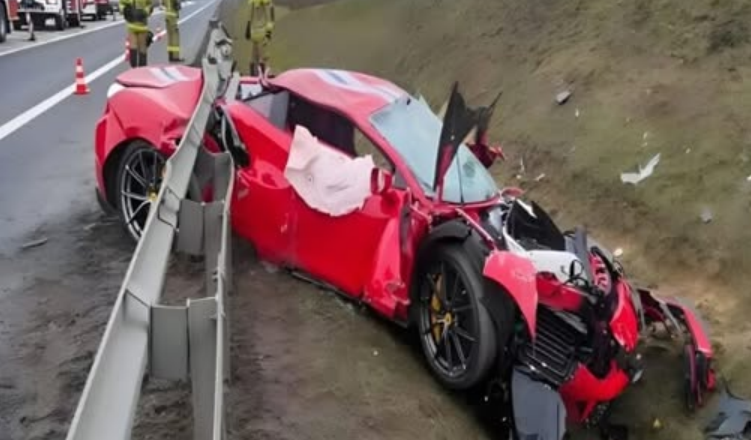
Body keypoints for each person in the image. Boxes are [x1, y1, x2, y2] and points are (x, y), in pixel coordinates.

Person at [245, 0, 275, 76]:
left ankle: (254, 75)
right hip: (261, 31)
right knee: (263, 56)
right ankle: (264, 75)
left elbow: (249, 15)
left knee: (254, 56)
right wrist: (269, 32)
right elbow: (271, 13)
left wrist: (248, 29)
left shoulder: (253, 2)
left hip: (255, 31)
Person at [121, 0, 153, 67]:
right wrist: (124, 10)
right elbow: (122, 3)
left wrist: (145, 12)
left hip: (141, 25)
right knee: (135, 48)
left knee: (140, 48)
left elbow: (150, 5)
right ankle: (138, 69)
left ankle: (138, 69)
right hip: (134, 25)